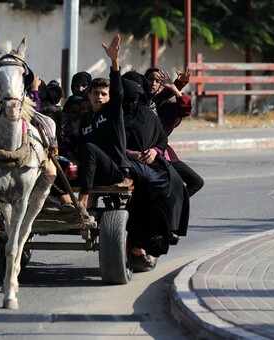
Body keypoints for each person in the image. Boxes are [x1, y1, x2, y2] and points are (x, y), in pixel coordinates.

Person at [121, 78, 189, 269]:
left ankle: (169, 230)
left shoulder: (148, 115)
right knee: (146, 185)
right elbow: (112, 144)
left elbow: (161, 139)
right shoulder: (115, 116)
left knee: (174, 184)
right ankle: (138, 244)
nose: (131, 101)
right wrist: (131, 154)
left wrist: (154, 151)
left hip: (154, 159)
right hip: (127, 161)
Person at [76, 34, 132, 217]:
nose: (99, 97)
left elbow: (117, 90)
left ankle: (83, 199)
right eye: (96, 93)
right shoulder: (85, 118)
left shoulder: (112, 111)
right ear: (89, 96)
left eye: (103, 94)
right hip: (92, 170)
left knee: (90, 148)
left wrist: (114, 61)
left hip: (115, 170)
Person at [142, 67, 204, 197]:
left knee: (196, 182)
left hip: (161, 150)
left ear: (160, 85)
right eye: (150, 79)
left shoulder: (163, 104)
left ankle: (177, 204)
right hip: (140, 151)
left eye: (157, 81)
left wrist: (175, 87)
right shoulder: (137, 100)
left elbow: (184, 109)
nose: (153, 83)